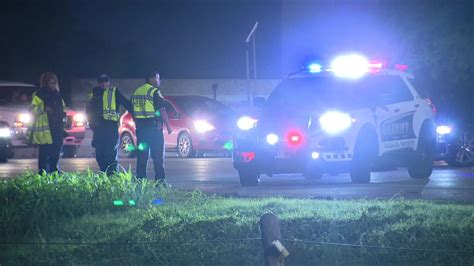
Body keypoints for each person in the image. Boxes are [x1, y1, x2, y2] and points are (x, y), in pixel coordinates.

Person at [86, 74, 132, 175]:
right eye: (101, 82)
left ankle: (113, 176)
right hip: (98, 128)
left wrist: (136, 114)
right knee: (99, 154)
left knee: (110, 154)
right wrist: (91, 124)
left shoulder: (114, 92)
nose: (103, 84)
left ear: (109, 82)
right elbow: (88, 110)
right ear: (98, 83)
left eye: (105, 82)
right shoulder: (93, 93)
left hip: (111, 128)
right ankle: (104, 174)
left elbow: (126, 103)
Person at [130, 71, 172, 184]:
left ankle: (140, 180)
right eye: (157, 78)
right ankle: (160, 181)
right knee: (158, 156)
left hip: (141, 130)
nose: (159, 80)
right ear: (151, 79)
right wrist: (168, 126)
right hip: (154, 129)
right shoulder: (154, 91)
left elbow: (132, 109)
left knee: (142, 156)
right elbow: (162, 109)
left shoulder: (137, 91)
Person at [29, 72, 66, 174]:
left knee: (56, 152)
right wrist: (44, 108)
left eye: (55, 82)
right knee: (44, 154)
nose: (53, 85)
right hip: (45, 130)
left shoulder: (58, 96)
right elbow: (31, 110)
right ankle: (43, 173)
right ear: (45, 83)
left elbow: (63, 109)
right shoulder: (39, 95)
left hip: (57, 128)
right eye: (51, 83)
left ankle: (54, 171)